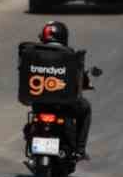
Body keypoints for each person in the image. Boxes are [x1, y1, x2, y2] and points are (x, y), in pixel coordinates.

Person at [35, 20, 92, 159]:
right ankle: (79, 149)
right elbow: (80, 78)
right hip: (64, 105)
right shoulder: (70, 55)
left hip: (39, 103)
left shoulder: (34, 54)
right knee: (86, 108)